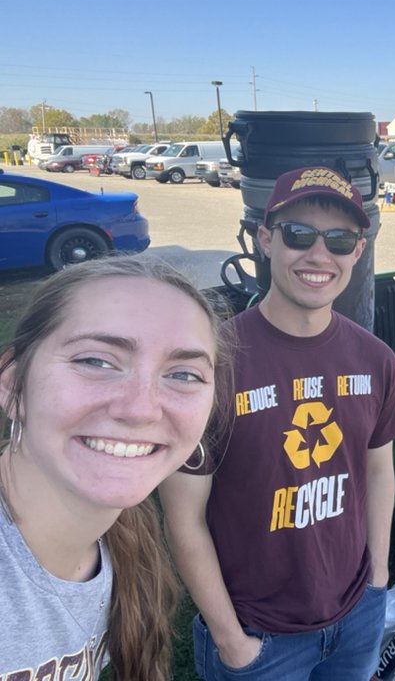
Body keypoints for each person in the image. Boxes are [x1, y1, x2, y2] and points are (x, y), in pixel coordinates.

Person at [160, 166, 395, 681]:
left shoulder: (375, 360)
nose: (320, 256)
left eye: (340, 240)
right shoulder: (214, 365)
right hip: (258, 635)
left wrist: (378, 577)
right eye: (300, 235)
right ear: (266, 240)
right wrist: (232, 641)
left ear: (357, 253)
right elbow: (184, 519)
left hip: (357, 614)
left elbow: (379, 471)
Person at [0, 256, 227, 681]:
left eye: (183, 374)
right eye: (95, 361)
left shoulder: (124, 540)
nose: (140, 409)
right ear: (13, 382)